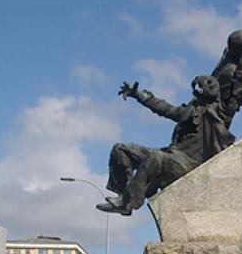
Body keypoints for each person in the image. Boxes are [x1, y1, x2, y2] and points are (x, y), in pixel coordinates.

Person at [98, 74, 232, 215]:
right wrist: (138, 95)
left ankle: (128, 200)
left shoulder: (220, 112)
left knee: (156, 157)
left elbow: (236, 80)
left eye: (202, 87)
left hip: (189, 166)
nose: (198, 90)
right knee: (120, 149)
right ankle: (124, 198)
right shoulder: (191, 110)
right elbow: (165, 109)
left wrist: (241, 65)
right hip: (172, 157)